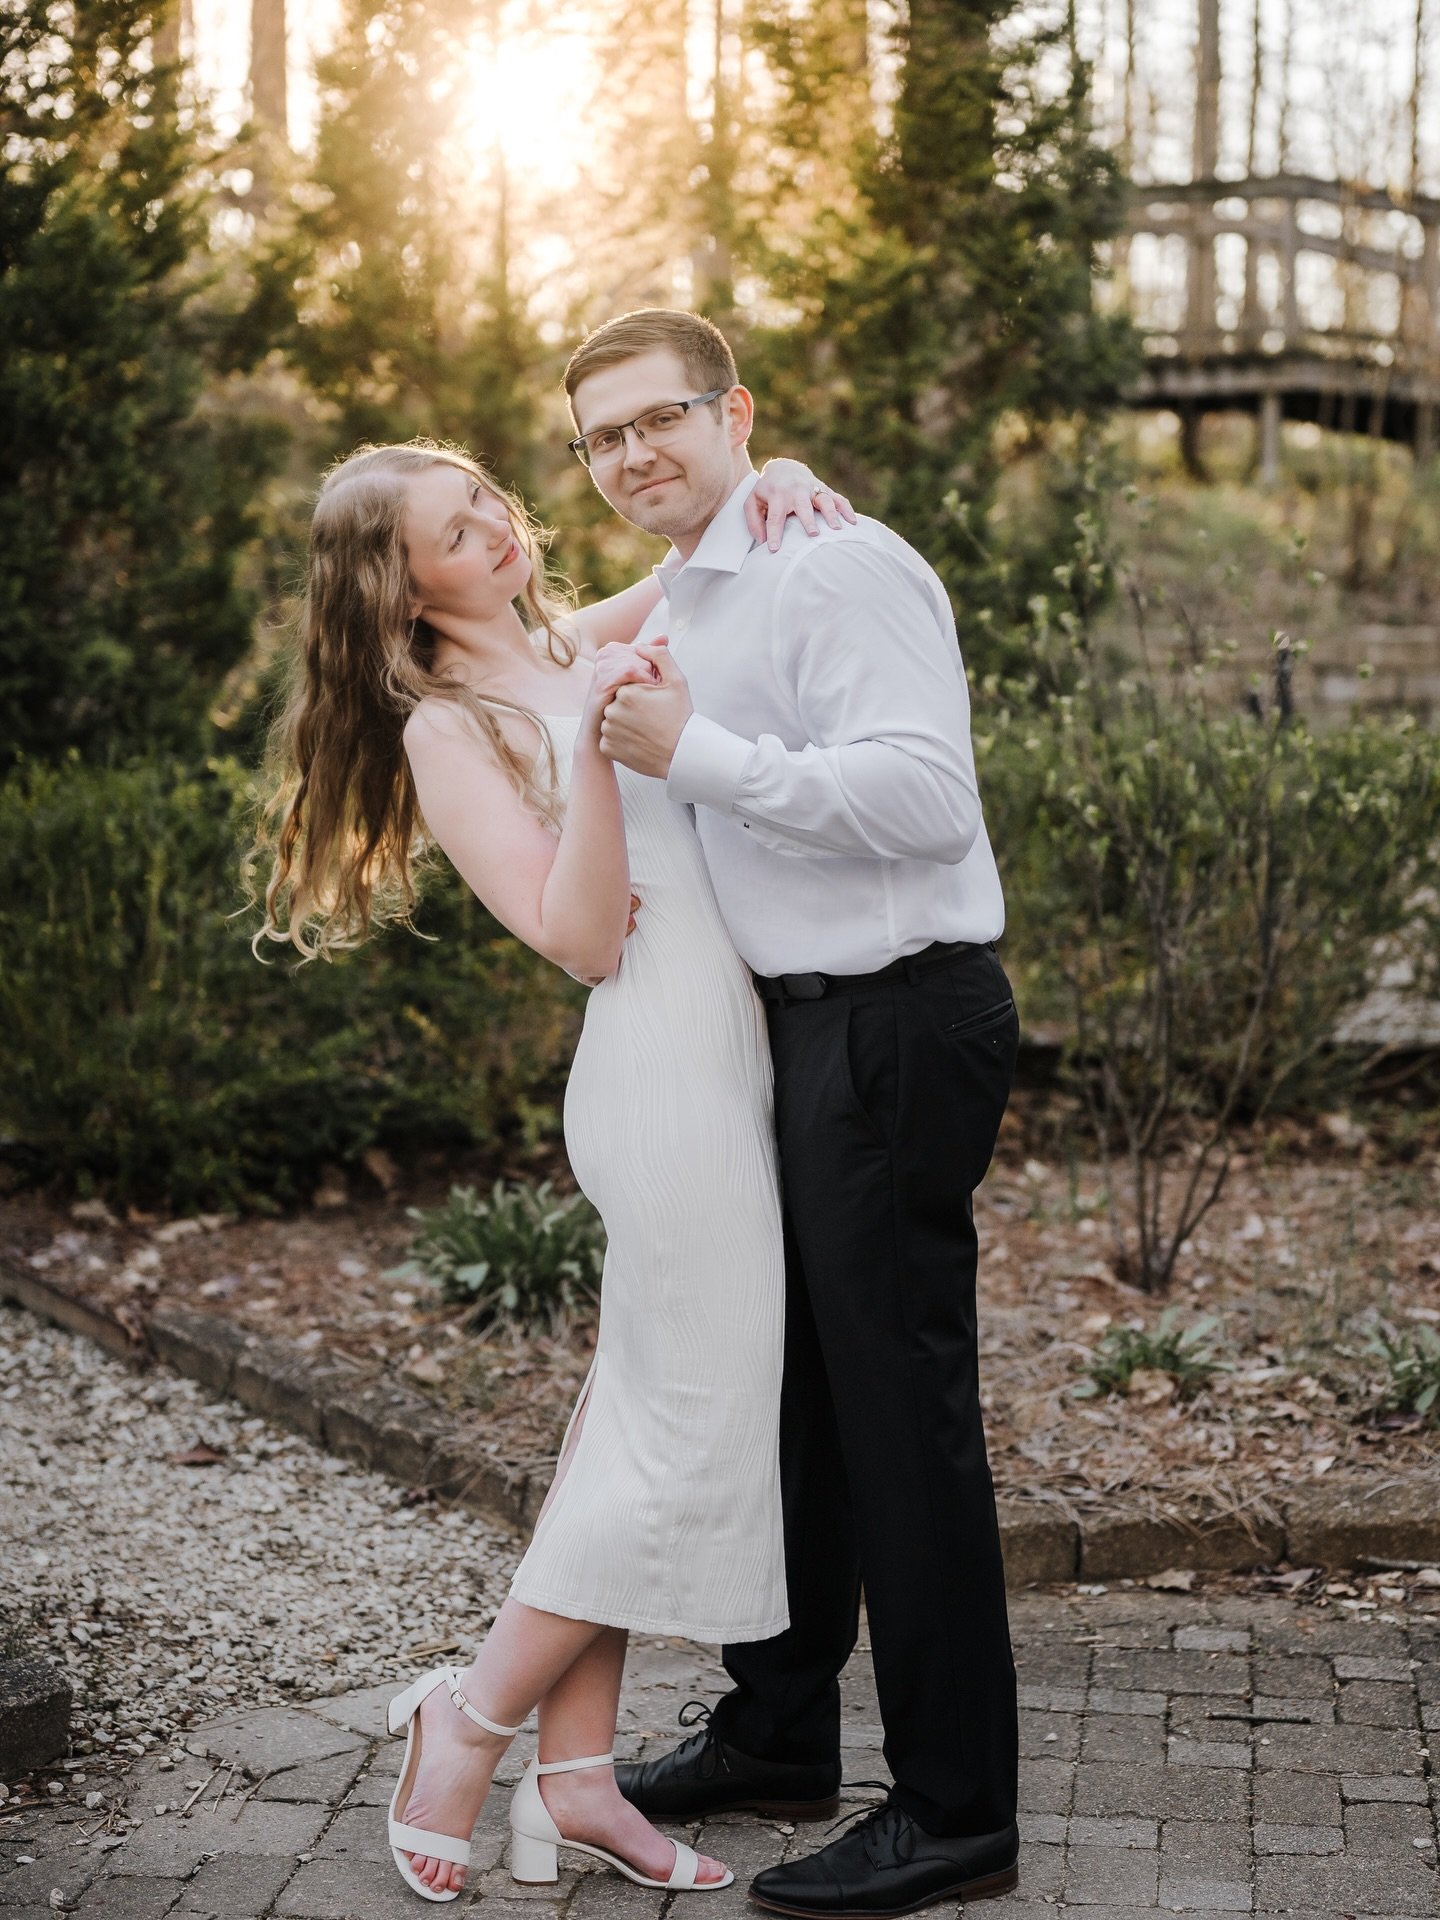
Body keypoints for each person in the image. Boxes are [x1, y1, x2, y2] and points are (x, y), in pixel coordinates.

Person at [249, 438, 854, 1904]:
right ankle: (465, 1722)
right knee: (683, 1436)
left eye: (486, 503)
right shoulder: (446, 732)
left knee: (630, 1436)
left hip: (736, 1062)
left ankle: (576, 1784)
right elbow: (583, 940)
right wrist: (588, 751)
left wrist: (775, 477)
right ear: (400, 592)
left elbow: (701, 563)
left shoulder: (576, 643)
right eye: (455, 532)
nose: (497, 529)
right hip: (659, 1081)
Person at [566, 308, 1023, 1918]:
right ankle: (777, 1731)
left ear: (735, 410)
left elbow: (930, 798)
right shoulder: (699, 579)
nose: (634, 453)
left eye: (661, 419)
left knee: (902, 1424)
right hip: (799, 1033)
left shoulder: (836, 566)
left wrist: (701, 755)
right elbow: (506, 643)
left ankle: (958, 1811)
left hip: (897, 1018)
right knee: (798, 1404)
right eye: (604, 436)